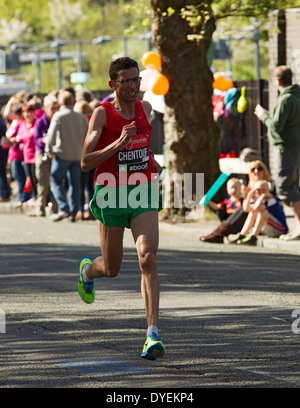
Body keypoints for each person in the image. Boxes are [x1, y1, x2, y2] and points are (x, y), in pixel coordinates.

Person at [78, 57, 165, 361]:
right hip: (110, 192)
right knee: (111, 268)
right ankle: (88, 271)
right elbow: (86, 162)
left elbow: (143, 145)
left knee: (148, 257)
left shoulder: (147, 110)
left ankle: (152, 335)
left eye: (136, 80)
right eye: (126, 81)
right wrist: (117, 143)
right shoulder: (101, 115)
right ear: (112, 84)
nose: (132, 86)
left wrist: (152, 163)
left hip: (141, 189)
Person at [254, 65, 300, 241]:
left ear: (277, 81)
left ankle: (299, 227)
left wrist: (262, 115)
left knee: (285, 187)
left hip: (284, 147)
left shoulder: (285, 99)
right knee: (293, 185)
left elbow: (276, 126)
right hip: (295, 146)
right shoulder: (296, 96)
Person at [200, 160, 274, 243]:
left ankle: (219, 234)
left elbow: (270, 202)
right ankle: (218, 234)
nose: (256, 171)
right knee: (226, 210)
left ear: (264, 170)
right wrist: (247, 195)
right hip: (252, 215)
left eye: (260, 169)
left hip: (265, 216)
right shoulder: (249, 186)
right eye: (253, 169)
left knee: (243, 209)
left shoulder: (269, 184)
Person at [46, 90, 88, 222]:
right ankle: (74, 212)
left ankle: (63, 207)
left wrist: (49, 150)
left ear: (60, 102)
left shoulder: (58, 116)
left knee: (55, 180)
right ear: (73, 101)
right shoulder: (81, 117)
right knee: (75, 185)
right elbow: (88, 136)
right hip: (77, 155)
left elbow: (51, 135)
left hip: (62, 154)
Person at [229, 180, 288, 245]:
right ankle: (242, 235)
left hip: (280, 230)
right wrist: (250, 194)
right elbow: (246, 209)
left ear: (268, 190)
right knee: (252, 212)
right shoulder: (259, 201)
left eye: (263, 190)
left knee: (261, 212)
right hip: (268, 229)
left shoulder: (272, 200)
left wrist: (263, 196)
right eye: (258, 190)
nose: (261, 192)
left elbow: (257, 207)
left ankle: (253, 237)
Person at [33, 94, 59, 217]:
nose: (55, 111)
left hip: (56, 154)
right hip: (42, 154)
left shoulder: (59, 120)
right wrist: (43, 141)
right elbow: (36, 139)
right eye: (52, 108)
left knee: (56, 182)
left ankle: (55, 208)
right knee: (43, 183)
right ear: (46, 108)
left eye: (56, 108)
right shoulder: (40, 122)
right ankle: (40, 206)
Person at [16, 100, 38, 200]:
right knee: (30, 179)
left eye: (30, 111)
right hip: (26, 156)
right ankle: (35, 198)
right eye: (26, 112)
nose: (28, 114)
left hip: (36, 156)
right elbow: (20, 139)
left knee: (36, 178)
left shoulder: (37, 123)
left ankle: (40, 199)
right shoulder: (22, 125)